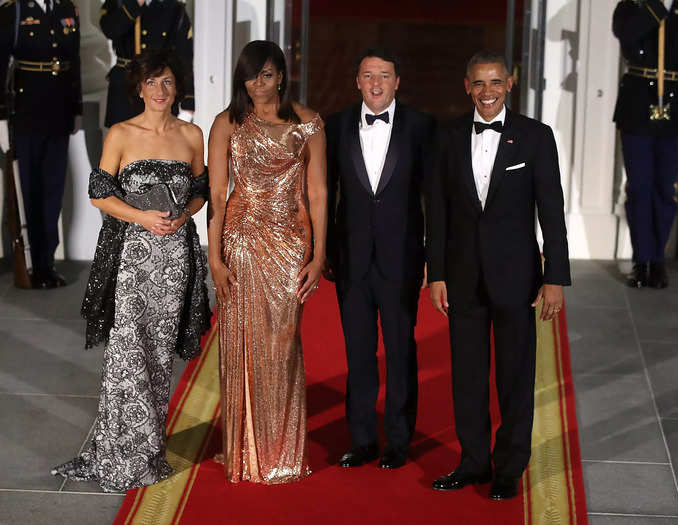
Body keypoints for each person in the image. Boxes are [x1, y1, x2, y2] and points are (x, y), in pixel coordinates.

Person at [51, 49, 211, 492]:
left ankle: (147, 450)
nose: (160, 91)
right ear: (138, 88)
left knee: (159, 358)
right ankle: (118, 455)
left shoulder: (193, 135)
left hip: (175, 260)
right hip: (131, 259)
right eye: (152, 82)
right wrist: (141, 217)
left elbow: (202, 190)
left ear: (177, 87)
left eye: (167, 82)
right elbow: (99, 193)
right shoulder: (121, 133)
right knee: (125, 355)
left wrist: (185, 215)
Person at [427, 50, 570, 500]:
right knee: (467, 377)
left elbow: (552, 210)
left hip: (518, 278)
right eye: (478, 84)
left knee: (515, 377)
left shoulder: (535, 136)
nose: (487, 92)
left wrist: (556, 278)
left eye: (495, 83)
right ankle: (472, 462)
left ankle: (509, 467)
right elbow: (439, 212)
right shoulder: (446, 136)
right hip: (463, 278)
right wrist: (437, 273)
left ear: (510, 84)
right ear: (466, 86)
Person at [207, 40, 326, 484]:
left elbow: (318, 193)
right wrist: (214, 258)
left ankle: (281, 450)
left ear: (282, 76)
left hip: (290, 244)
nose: (259, 84)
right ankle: (244, 452)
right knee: (242, 344)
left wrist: (319, 253)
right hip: (239, 242)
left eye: (268, 74)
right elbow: (218, 197)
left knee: (282, 343)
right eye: (251, 75)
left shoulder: (309, 124)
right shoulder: (227, 124)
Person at [325, 48, 434, 470]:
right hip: (350, 260)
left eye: (384, 76)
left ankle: (399, 441)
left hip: (402, 259)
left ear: (397, 82)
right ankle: (363, 440)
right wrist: (325, 252)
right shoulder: (335, 126)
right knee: (358, 353)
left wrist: (433, 259)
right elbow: (324, 193)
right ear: (357, 81)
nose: (375, 83)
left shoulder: (422, 127)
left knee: (402, 351)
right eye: (368, 75)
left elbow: (434, 200)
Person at [613, 0, 678, 288]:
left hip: (675, 111)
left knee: (665, 189)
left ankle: (657, 260)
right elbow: (626, 35)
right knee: (639, 188)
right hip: (637, 108)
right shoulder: (631, 7)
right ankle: (642, 261)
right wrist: (657, 5)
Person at [0, 0, 82, 288]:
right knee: (29, 191)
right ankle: (31, 263)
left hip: (59, 113)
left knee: (53, 191)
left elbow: (75, 62)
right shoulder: (15, 10)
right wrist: (0, 116)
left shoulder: (66, 8)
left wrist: (77, 109)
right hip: (27, 114)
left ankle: (47, 263)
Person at [99, 0, 194, 127]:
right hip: (124, 89)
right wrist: (136, 3)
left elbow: (184, 58)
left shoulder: (174, 8)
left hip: (159, 90)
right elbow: (110, 30)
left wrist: (188, 102)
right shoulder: (117, 3)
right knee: (123, 142)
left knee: (158, 143)